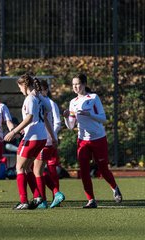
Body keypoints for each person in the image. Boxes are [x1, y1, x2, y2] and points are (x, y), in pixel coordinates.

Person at [63, 73, 122, 208]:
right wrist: (66, 117)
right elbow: (71, 126)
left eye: (78, 84)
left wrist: (90, 114)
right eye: (73, 85)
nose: (75, 87)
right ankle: (91, 200)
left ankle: (114, 188)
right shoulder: (73, 102)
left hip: (98, 138)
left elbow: (103, 118)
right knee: (83, 170)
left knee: (102, 168)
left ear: (84, 84)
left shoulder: (94, 98)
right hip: (82, 140)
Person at [4, 74, 54, 210]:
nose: (20, 90)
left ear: (24, 85)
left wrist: (13, 131)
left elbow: (30, 118)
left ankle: (24, 201)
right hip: (41, 137)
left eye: (20, 86)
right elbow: (48, 109)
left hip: (32, 137)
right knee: (27, 168)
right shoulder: (38, 98)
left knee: (19, 168)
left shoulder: (30, 98)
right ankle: (37, 197)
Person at [34, 80, 65, 209]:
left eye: (42, 90)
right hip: (43, 140)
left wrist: (52, 136)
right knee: (38, 170)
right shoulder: (38, 102)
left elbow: (56, 122)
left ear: (46, 90)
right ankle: (49, 196)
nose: (39, 92)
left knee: (42, 170)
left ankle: (50, 196)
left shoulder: (49, 104)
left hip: (45, 141)